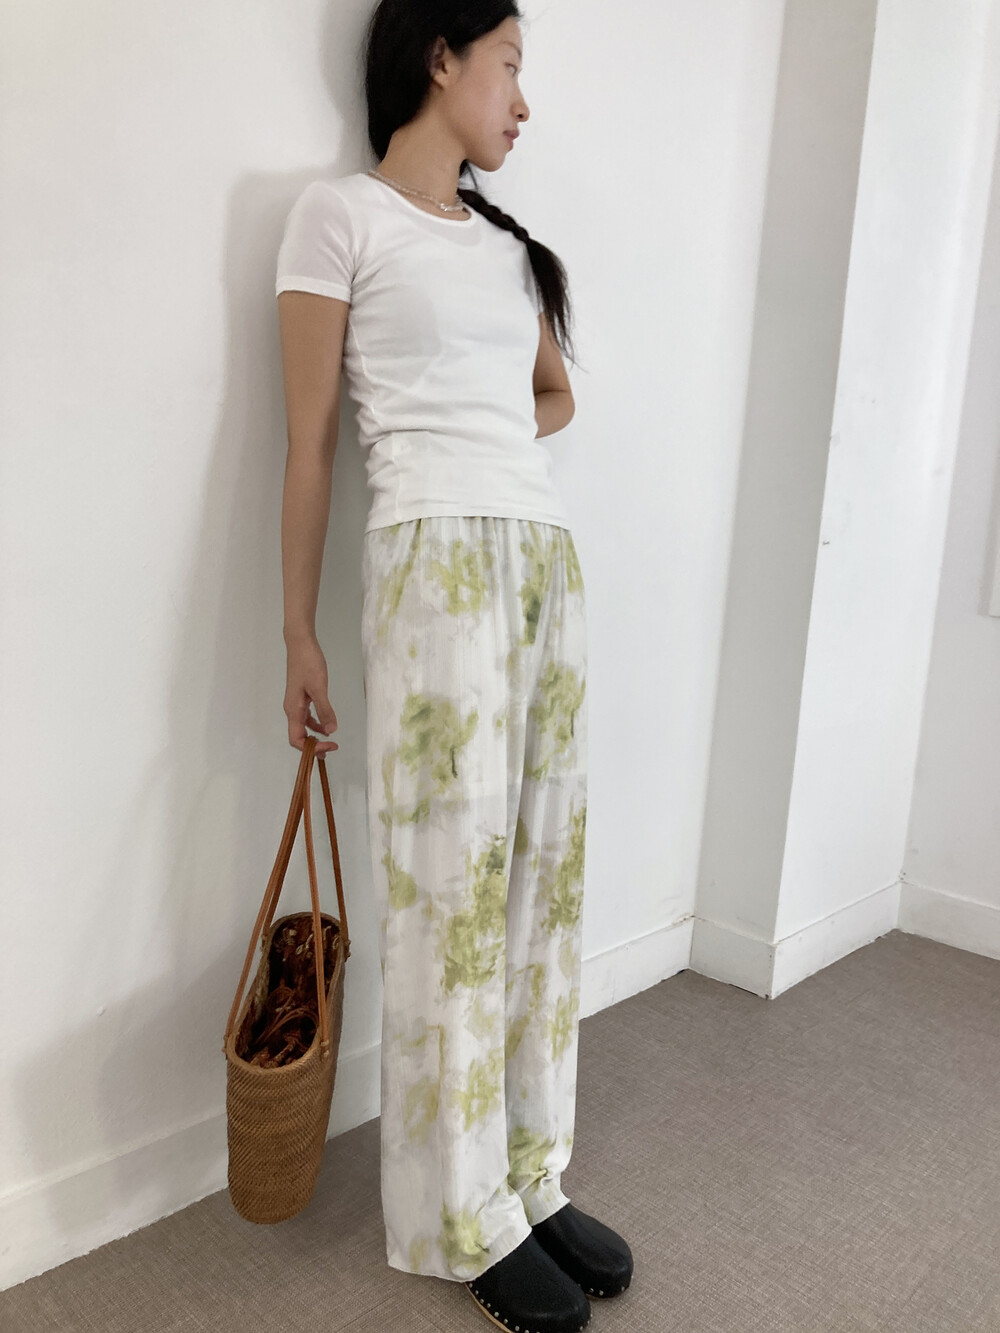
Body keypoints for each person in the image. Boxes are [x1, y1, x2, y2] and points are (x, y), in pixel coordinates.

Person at [274, 4, 633, 1329]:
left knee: (541, 880)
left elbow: (556, 394)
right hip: (431, 567)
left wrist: (496, 446)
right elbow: (312, 443)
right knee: (451, 889)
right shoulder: (338, 219)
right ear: (440, 56)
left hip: (542, 561)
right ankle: (455, 1211)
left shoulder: (508, 249)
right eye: (511, 65)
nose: (524, 101)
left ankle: (531, 1173)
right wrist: (299, 631)